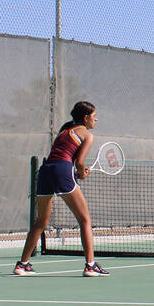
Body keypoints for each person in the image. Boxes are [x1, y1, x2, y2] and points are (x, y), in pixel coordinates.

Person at [15, 101, 111, 277]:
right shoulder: (87, 135)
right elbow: (79, 162)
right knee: (85, 220)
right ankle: (90, 265)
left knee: (41, 222)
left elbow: (64, 157)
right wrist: (82, 173)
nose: (96, 119)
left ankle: (22, 264)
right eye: (94, 116)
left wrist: (78, 171)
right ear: (86, 118)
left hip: (46, 171)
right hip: (61, 170)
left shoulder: (64, 131)